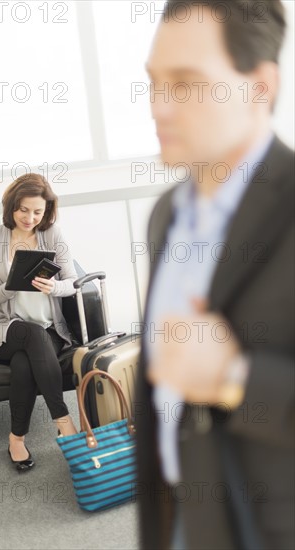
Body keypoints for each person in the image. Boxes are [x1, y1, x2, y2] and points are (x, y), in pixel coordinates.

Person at [135, 1, 294, 549]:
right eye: (154, 83)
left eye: (187, 84)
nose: (159, 106)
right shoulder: (166, 215)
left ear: (260, 86)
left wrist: (236, 381)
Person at [0, 173, 78, 472]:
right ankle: (64, 421)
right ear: (11, 206)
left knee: (25, 362)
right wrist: (12, 285)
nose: (30, 218)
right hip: (5, 329)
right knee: (29, 336)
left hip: (50, 330)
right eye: (23, 210)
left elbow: (72, 282)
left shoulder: (54, 234)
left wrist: (54, 287)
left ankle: (16, 438)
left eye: (38, 211)